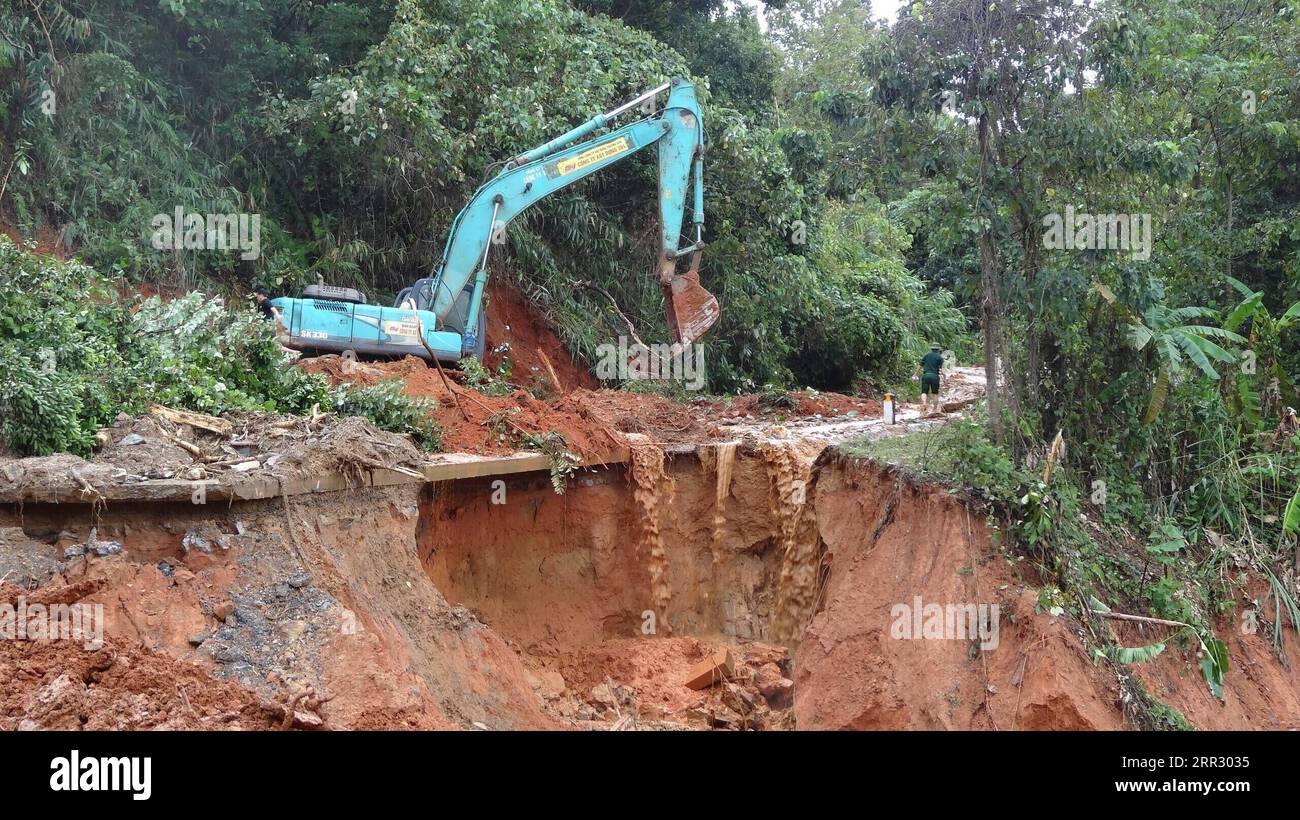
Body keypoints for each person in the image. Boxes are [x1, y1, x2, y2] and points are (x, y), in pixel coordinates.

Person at [915, 343, 944, 414]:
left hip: (926, 376)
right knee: (935, 393)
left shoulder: (926, 355)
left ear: (932, 348)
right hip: (935, 376)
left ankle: (924, 403)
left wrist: (915, 374)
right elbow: (942, 370)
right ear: (938, 349)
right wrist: (945, 377)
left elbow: (920, 365)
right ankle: (934, 409)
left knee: (924, 392)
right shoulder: (940, 358)